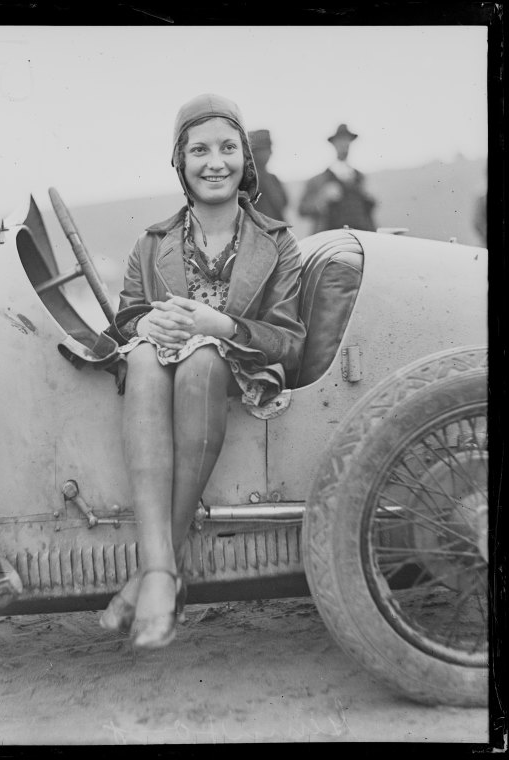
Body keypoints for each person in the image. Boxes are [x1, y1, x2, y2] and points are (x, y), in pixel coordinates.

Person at [97, 93, 306, 650]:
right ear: (180, 162)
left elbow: (290, 343)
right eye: (199, 150)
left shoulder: (278, 243)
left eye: (228, 148)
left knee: (203, 357)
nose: (215, 162)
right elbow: (125, 321)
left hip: (237, 373)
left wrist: (222, 324)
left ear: (246, 159)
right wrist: (147, 328)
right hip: (158, 371)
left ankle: (153, 574)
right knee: (142, 355)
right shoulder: (152, 242)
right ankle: (163, 570)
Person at [298, 123, 377, 234]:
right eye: (341, 141)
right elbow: (302, 209)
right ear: (334, 144)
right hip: (331, 241)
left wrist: (369, 197)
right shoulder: (319, 180)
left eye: (347, 141)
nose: (344, 145)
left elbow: (368, 212)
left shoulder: (359, 177)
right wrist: (322, 198)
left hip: (360, 238)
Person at [249, 129, 288, 223]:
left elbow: (284, 203)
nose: (269, 153)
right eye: (263, 150)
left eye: (269, 149)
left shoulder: (273, 178)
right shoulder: (247, 179)